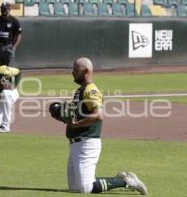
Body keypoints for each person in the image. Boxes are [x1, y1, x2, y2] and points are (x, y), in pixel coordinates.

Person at [49, 57, 148, 194]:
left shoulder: (90, 90)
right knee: (75, 187)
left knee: (86, 188)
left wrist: (76, 124)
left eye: (75, 70)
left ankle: (127, 181)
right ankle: (119, 179)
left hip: (87, 143)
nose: (72, 73)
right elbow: (76, 116)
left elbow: (98, 115)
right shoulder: (80, 91)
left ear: (85, 72)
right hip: (76, 144)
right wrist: (62, 116)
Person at [0, 2, 22, 68]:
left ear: (9, 9)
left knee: (8, 70)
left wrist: (14, 47)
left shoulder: (14, 21)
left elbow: (19, 35)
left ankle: (8, 79)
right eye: (2, 9)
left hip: (8, 46)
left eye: (5, 9)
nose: (3, 11)